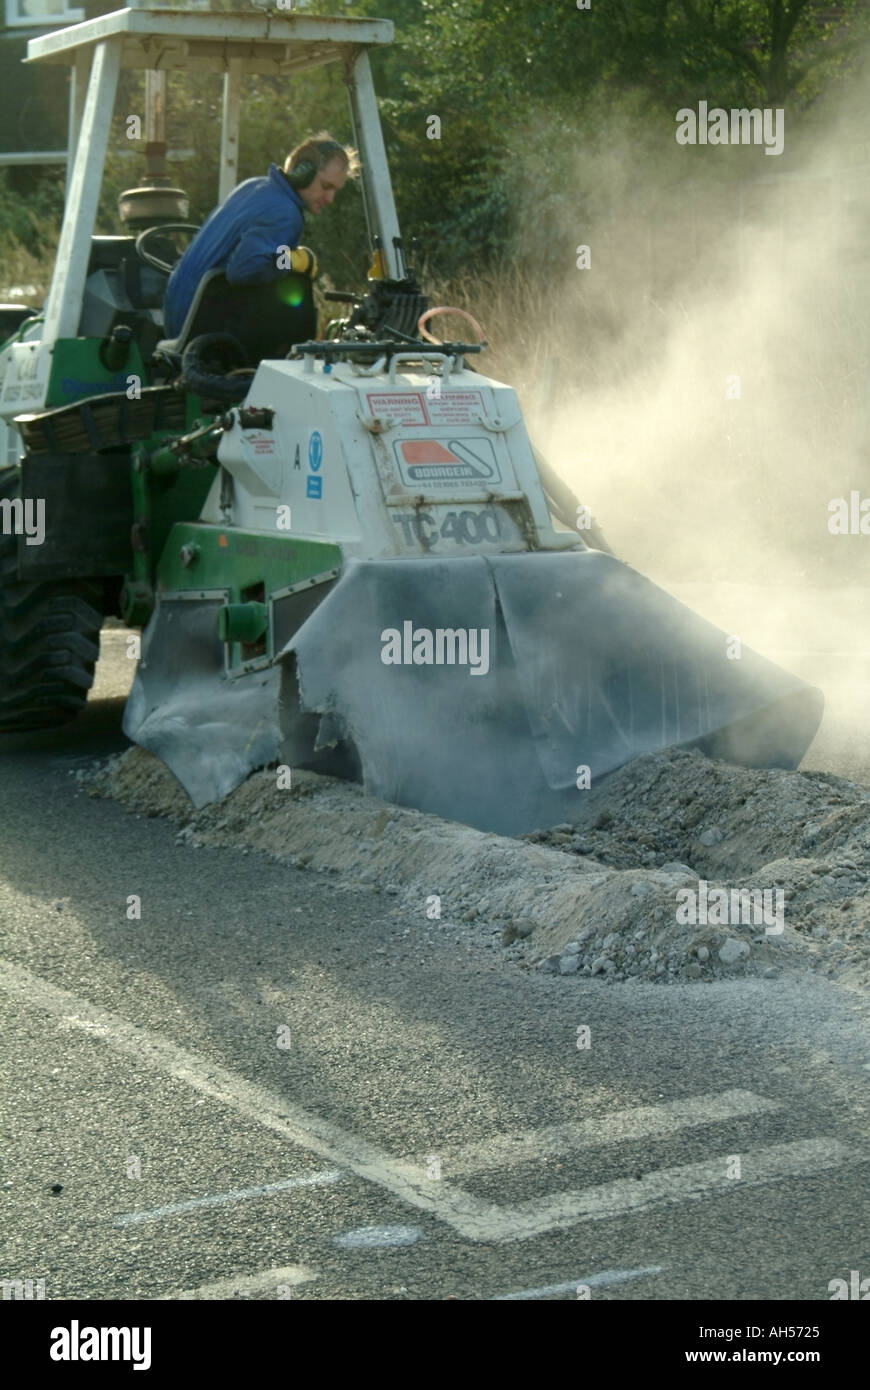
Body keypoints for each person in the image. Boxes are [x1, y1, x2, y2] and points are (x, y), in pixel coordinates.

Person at [162, 132, 358, 338]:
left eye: (336, 190)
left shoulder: (254, 187)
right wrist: (289, 262)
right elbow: (244, 269)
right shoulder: (285, 213)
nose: (330, 199)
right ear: (303, 172)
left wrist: (286, 256)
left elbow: (251, 250)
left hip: (177, 310)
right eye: (326, 187)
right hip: (201, 327)